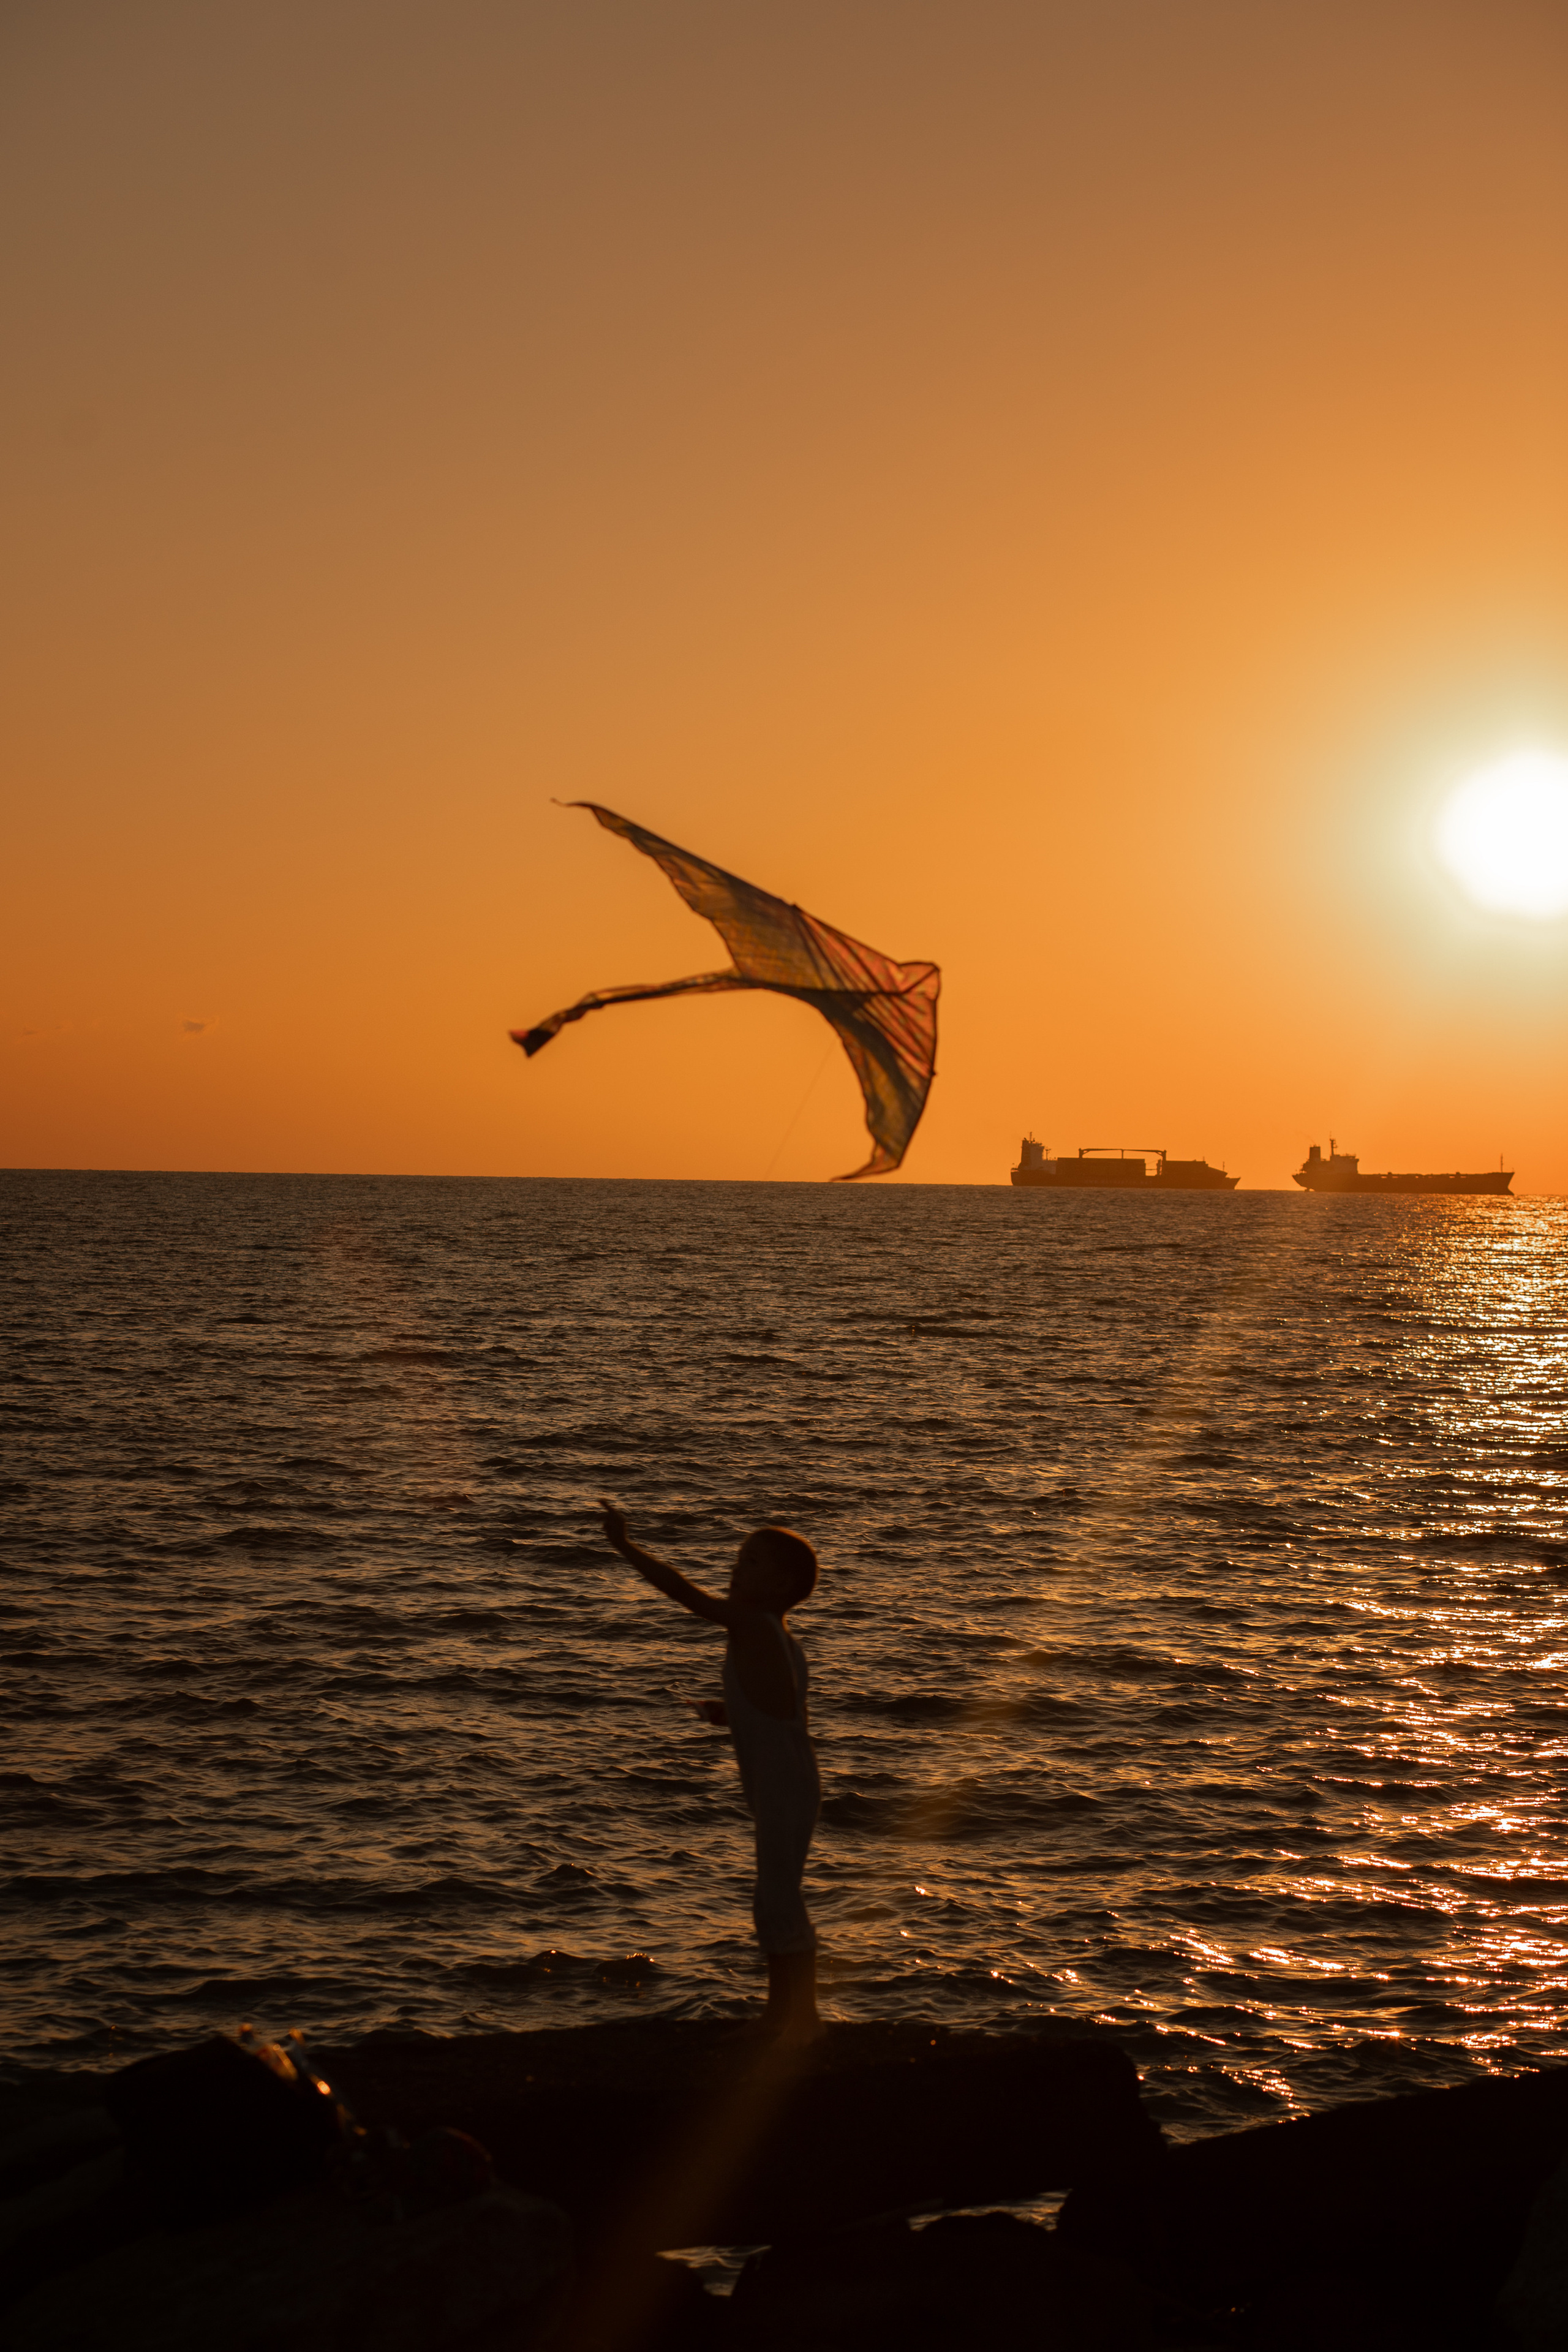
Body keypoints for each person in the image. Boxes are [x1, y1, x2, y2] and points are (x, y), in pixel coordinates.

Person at [599, 1502, 823, 2040]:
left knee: (777, 1899)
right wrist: (732, 1711)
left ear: (782, 1585)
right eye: (740, 1558)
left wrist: (625, 1545)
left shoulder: (751, 1624)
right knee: (777, 1895)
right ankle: (796, 2016)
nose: (737, 1568)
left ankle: (793, 2020)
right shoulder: (779, 1637)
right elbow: (784, 1712)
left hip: (783, 1785)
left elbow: (683, 1593)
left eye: (752, 1562)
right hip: (792, 1779)